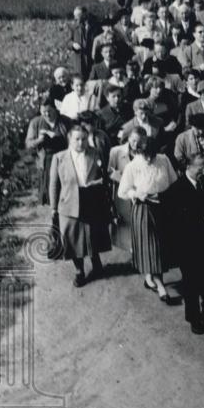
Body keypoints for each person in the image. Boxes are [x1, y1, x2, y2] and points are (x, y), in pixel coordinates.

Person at [118, 134, 178, 303]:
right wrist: (138, 194)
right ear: (139, 152)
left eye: (152, 154)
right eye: (145, 155)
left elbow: (173, 181)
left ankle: (149, 277)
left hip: (163, 207)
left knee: (161, 246)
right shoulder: (133, 166)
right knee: (151, 246)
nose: (149, 158)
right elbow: (122, 191)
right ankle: (161, 287)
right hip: (144, 209)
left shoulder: (163, 160)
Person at [49, 126, 111, 287]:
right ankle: (79, 271)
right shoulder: (59, 157)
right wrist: (53, 208)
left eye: (83, 138)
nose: (80, 142)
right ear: (69, 139)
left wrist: (98, 184)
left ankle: (96, 263)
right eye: (76, 139)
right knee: (73, 238)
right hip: (69, 203)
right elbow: (54, 185)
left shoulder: (95, 153)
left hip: (91, 199)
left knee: (92, 234)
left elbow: (104, 176)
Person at [25, 101, 67, 205]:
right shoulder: (36, 122)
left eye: (49, 111)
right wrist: (39, 140)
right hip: (46, 158)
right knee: (48, 185)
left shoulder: (65, 121)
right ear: (40, 111)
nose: (47, 114)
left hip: (63, 156)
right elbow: (28, 143)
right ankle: (51, 208)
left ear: (55, 109)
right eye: (44, 112)